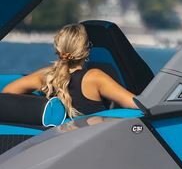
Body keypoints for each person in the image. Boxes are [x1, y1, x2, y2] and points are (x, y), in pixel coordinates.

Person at [2, 23, 137, 117]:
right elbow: (136, 104)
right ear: (87, 49)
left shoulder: (46, 76)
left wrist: (40, 103)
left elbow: (8, 92)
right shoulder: (94, 77)